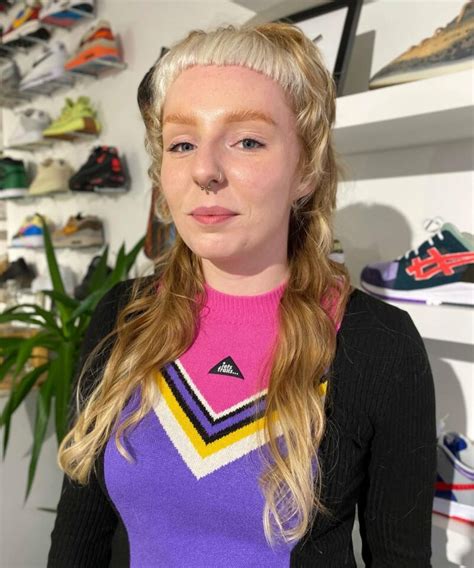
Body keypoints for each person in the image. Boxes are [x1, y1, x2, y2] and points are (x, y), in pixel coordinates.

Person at [47, 22, 437, 567]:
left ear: (305, 170)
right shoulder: (124, 315)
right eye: (182, 144)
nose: (204, 170)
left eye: (247, 141)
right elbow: (77, 538)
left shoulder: (378, 343)